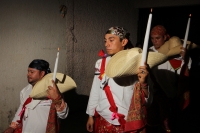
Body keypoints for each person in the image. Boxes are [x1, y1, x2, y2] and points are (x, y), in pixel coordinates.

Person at [86, 26, 150, 133]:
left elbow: (146, 100)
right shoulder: (100, 63)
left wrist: (144, 83)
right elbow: (96, 90)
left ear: (124, 41)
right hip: (104, 118)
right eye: (105, 41)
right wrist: (90, 115)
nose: (106, 44)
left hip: (126, 120)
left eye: (111, 40)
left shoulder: (136, 64)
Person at [3, 59, 69, 133]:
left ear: (42, 73)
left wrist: (57, 98)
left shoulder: (52, 90)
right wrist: (12, 127)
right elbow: (21, 110)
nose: (28, 74)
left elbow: (63, 115)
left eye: (32, 72)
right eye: (28, 71)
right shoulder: (25, 90)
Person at [147, 25, 191, 133]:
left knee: (170, 121)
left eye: (157, 38)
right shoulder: (149, 52)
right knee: (153, 119)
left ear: (165, 37)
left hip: (170, 90)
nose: (154, 41)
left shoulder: (173, 51)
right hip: (154, 91)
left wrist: (184, 58)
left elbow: (183, 69)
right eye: (152, 38)